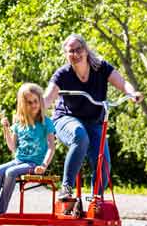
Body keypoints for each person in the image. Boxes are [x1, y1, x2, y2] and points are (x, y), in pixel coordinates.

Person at [41, 34, 140, 202]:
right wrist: (32, 110)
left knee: (104, 163)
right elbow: (47, 98)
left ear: (86, 50)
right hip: (66, 118)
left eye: (79, 49)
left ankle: (97, 199)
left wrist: (131, 94)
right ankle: (66, 188)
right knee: (79, 135)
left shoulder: (101, 68)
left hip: (94, 121)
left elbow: (122, 83)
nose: (76, 54)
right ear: (66, 54)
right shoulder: (63, 74)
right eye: (71, 51)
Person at [0, 83, 56, 218]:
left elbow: (51, 146)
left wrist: (44, 165)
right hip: (19, 160)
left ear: (40, 102)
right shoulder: (19, 124)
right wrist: (6, 129)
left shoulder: (46, 123)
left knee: (10, 172)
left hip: (34, 164)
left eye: (35, 101)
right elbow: (12, 147)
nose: (33, 105)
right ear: (22, 104)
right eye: (29, 102)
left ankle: (1, 209)